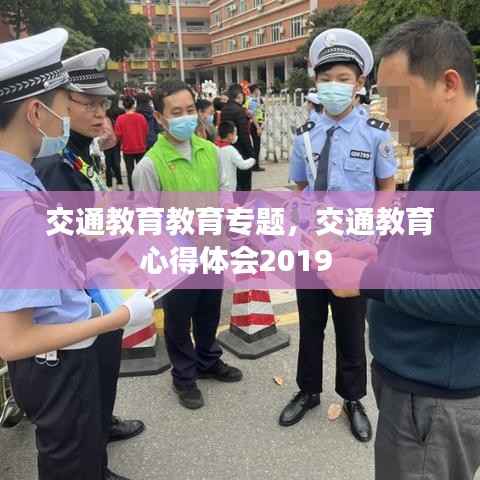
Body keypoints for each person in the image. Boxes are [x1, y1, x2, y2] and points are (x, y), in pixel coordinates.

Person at [327, 18, 480, 480]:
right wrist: (375, 254)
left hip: (434, 399)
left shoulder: (472, 167)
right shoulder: (445, 154)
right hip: (416, 386)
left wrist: (369, 279)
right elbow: (434, 250)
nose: (389, 115)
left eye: (398, 97)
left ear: (448, 84)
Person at [0, 29, 154, 480]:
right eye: (63, 107)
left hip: (56, 353)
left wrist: (84, 270)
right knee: (72, 464)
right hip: (58, 360)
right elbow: (14, 339)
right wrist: (120, 316)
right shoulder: (20, 203)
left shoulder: (18, 178)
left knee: (77, 456)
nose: (67, 118)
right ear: (36, 112)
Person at [282, 28, 397, 443]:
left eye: (343, 78)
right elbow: (298, 189)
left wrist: (370, 235)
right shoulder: (304, 135)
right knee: (310, 324)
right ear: (316, 82)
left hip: (352, 250)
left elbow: (387, 188)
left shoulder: (376, 132)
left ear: (359, 82)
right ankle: (308, 390)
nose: (334, 86)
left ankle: (352, 399)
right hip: (311, 248)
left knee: (351, 329)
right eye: (326, 78)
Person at [132, 80, 242, 409]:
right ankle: (184, 376)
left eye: (190, 110)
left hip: (213, 249)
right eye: (176, 112)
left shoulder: (210, 151)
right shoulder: (149, 165)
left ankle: (207, 359)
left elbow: (223, 188)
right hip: (176, 259)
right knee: (179, 320)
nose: (186, 118)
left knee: (209, 311)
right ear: (159, 118)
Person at [221, 84, 256, 191]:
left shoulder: (224, 109)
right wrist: (252, 153)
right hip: (241, 150)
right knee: (244, 182)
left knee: (233, 179)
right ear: (240, 95)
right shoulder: (239, 110)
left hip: (228, 147)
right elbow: (244, 134)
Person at [114, 96, 148, 191]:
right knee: (141, 171)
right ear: (134, 105)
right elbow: (146, 131)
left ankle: (132, 192)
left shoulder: (120, 119)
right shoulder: (141, 117)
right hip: (140, 147)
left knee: (130, 172)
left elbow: (118, 135)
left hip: (127, 149)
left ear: (123, 106)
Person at [215, 121, 255, 191]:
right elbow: (242, 165)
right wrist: (252, 160)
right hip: (229, 186)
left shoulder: (214, 147)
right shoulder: (231, 150)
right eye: (235, 133)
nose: (236, 136)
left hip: (216, 185)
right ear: (230, 135)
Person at [99, 103, 124, 191]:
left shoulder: (105, 120)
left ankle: (114, 184)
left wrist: (98, 139)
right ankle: (114, 184)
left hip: (112, 144)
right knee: (111, 165)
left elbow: (108, 133)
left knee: (113, 164)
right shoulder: (104, 119)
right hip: (108, 145)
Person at [246, 84, 266, 172]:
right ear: (255, 90)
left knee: (256, 145)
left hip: (257, 124)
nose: (260, 91)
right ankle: (255, 166)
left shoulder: (255, 100)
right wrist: (258, 127)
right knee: (256, 146)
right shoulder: (252, 101)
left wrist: (262, 123)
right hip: (255, 124)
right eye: (259, 89)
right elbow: (252, 115)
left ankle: (255, 164)